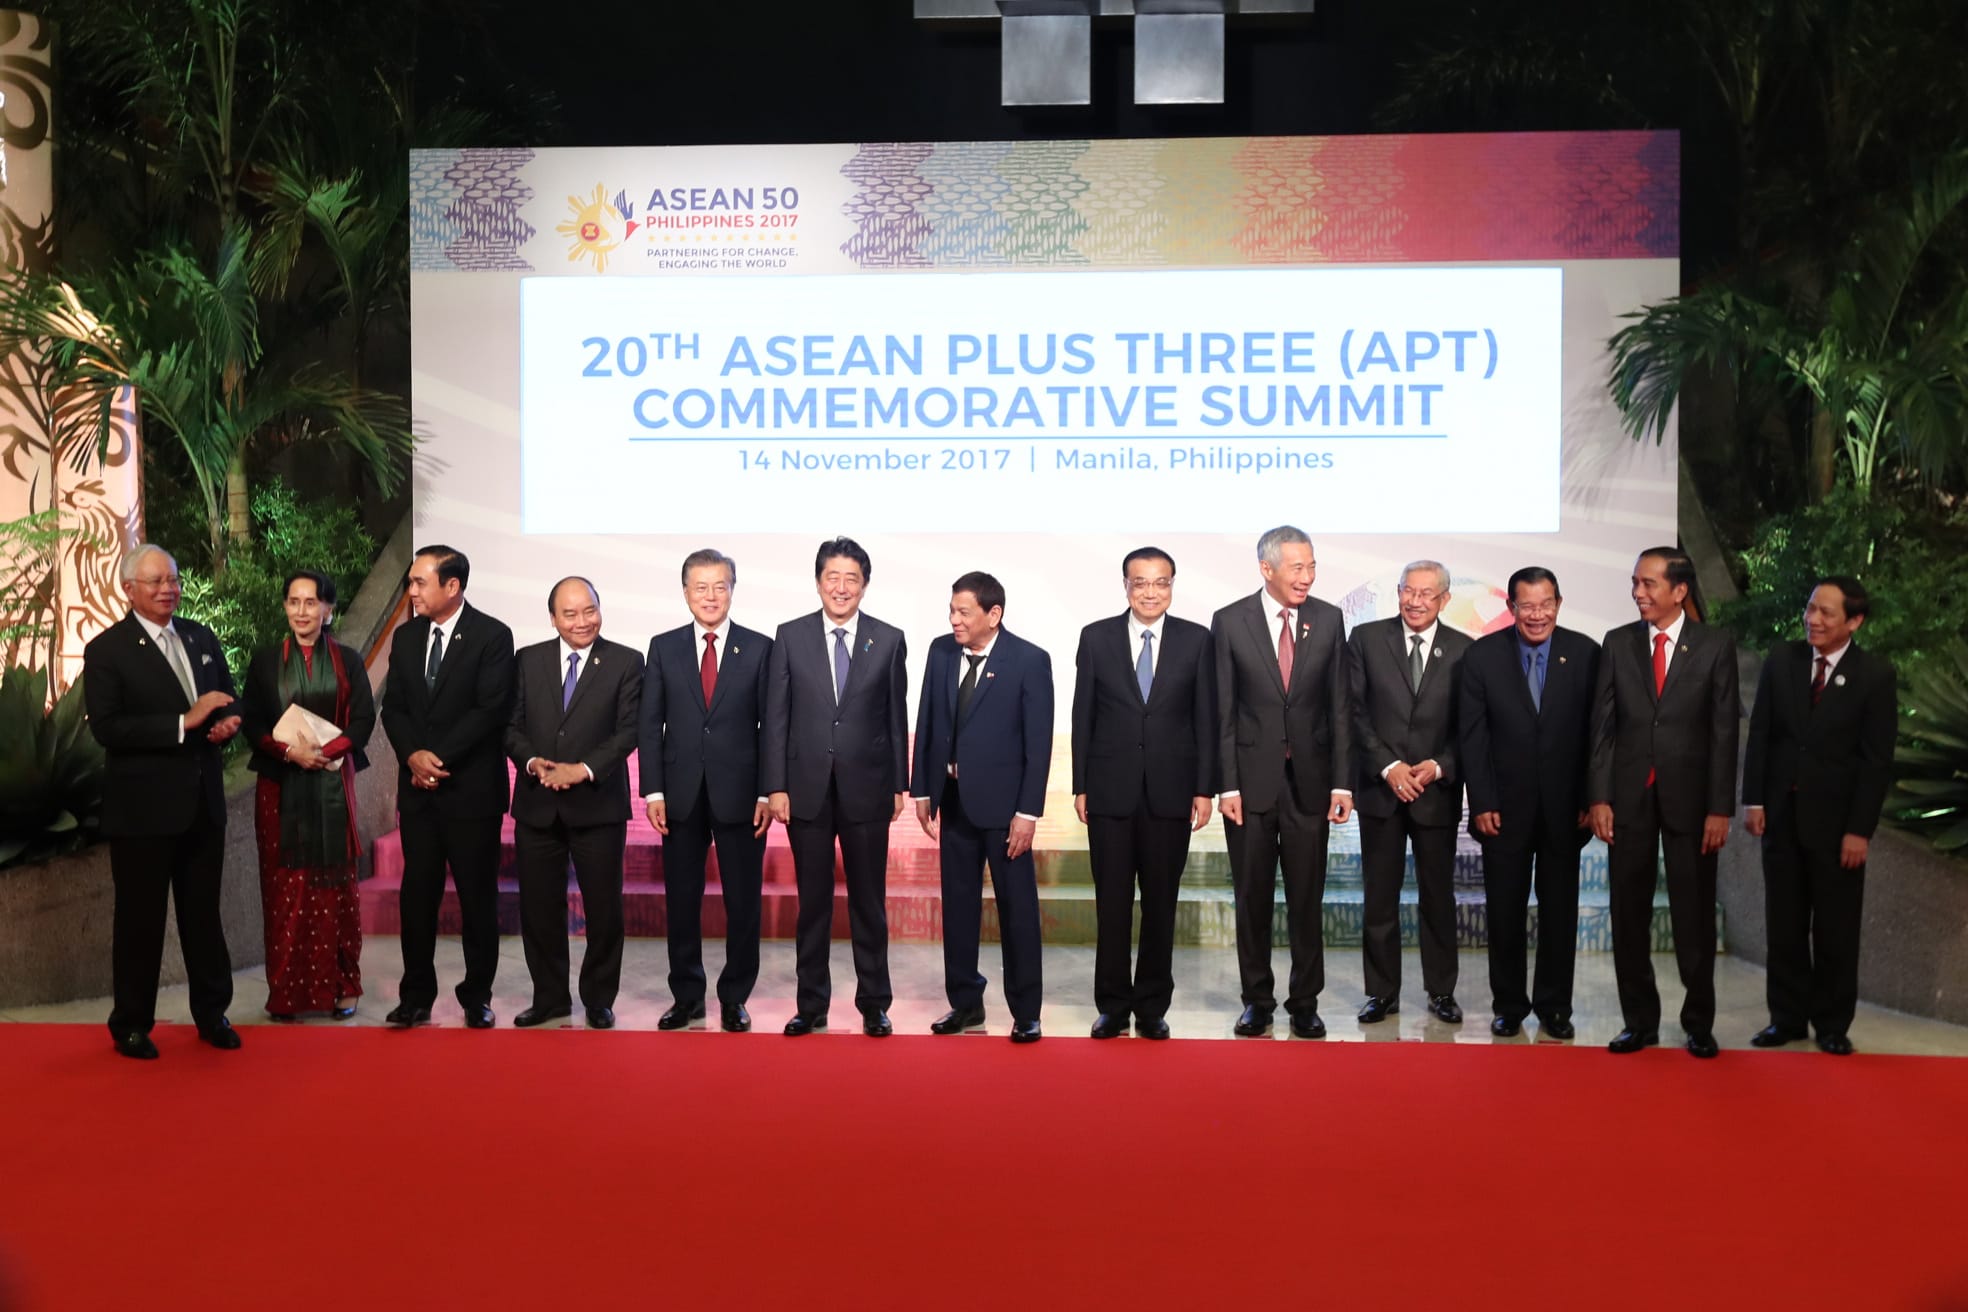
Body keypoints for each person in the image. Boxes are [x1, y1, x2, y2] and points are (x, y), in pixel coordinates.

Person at [83, 543, 244, 1059]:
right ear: (128, 589)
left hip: (202, 804)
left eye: (173, 580)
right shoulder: (108, 650)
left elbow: (227, 695)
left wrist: (227, 723)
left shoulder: (199, 636)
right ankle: (131, 1023)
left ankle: (212, 1013)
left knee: (203, 916)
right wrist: (185, 721)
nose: (168, 590)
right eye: (155, 582)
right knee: (139, 920)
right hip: (143, 812)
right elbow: (108, 728)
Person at [1588, 547, 1739, 1058]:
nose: (1638, 593)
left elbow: (1723, 733)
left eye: (1648, 584)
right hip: (1628, 800)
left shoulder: (1715, 646)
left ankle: (1698, 1022)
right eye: (1635, 583)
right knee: (1627, 913)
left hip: (1693, 804)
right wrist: (1600, 797)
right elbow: (1602, 730)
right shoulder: (1618, 643)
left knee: (1693, 915)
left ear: (1679, 591)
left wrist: (1720, 808)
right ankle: (1640, 1021)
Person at [1742, 576, 1895, 1056]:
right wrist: (1755, 801)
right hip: (1781, 819)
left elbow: (1876, 761)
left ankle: (1831, 1024)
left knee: (1835, 929)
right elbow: (1761, 734)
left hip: (1837, 829)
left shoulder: (1874, 675)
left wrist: (1859, 829)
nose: (1813, 619)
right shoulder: (1783, 660)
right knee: (1783, 926)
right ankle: (1785, 1019)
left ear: (1854, 621)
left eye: (1827, 613)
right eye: (1811, 609)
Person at [1212, 525, 1353, 1039]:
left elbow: (1340, 706)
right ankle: (1256, 999)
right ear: (1266, 568)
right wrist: (1226, 786)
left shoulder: (1329, 618)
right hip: (1249, 787)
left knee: (1305, 898)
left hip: (1311, 785)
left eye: (1312, 566)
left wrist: (1343, 784)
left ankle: (1304, 1001)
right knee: (1252, 897)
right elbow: (1222, 710)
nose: (1307, 576)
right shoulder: (1230, 622)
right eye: (1297, 567)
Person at [764, 537, 910, 1037]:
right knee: (814, 903)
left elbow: (895, 718)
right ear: (819, 581)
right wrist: (775, 786)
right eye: (833, 577)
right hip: (804, 788)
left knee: (870, 901)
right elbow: (776, 718)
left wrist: (899, 784)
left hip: (868, 789)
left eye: (852, 579)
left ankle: (875, 1003)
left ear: (864, 585)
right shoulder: (790, 635)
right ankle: (812, 1005)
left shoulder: (889, 639)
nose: (841, 587)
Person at [1071, 547, 1215, 1040]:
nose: (1150, 592)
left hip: (1171, 795)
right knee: (1111, 905)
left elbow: (1206, 720)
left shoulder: (1197, 640)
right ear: (1126, 586)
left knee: (1160, 904)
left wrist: (1204, 788)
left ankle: (1152, 1005)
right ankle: (1112, 1004)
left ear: (1172, 585)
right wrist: (1081, 785)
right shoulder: (1096, 638)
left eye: (1160, 582)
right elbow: (1082, 715)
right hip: (1109, 793)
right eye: (1141, 582)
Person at [1457, 566, 1600, 1039]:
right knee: (1504, 912)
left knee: (1560, 913)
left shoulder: (1586, 654)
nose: (1537, 615)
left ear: (1558, 603)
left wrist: (1590, 798)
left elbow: (1596, 738)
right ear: (1510, 608)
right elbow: (1472, 738)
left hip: (1566, 810)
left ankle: (1556, 1007)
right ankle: (1509, 1005)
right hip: (1502, 810)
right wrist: (1481, 801)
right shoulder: (1482, 656)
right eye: (1526, 606)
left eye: (1545, 604)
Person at [911, 572, 1054, 1044]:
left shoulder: (1029, 661)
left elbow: (1038, 745)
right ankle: (965, 1004)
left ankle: (1026, 1011)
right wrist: (922, 790)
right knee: (958, 908)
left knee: (1017, 911)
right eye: (951, 610)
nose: (954, 620)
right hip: (953, 805)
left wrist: (1028, 813)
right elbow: (928, 719)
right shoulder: (940, 651)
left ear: (993, 615)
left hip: (1006, 810)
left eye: (963, 612)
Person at [380, 545, 515, 1029]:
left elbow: (490, 710)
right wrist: (412, 755)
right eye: (411, 582)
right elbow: (392, 707)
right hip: (419, 792)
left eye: (419, 582)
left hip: (470, 792)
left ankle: (476, 995)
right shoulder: (406, 638)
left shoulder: (492, 636)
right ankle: (415, 995)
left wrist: (438, 758)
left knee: (478, 898)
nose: (411, 591)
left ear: (451, 586)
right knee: (417, 897)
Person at [640, 549, 774, 1034]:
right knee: (682, 900)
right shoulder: (663, 647)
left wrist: (766, 792)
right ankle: (687, 997)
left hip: (742, 795)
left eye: (720, 586)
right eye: (701, 586)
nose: (710, 596)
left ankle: (735, 997)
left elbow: (770, 728)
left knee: (743, 901)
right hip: (679, 795)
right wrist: (653, 792)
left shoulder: (759, 648)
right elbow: (649, 724)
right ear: (685, 592)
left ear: (732, 590)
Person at [239, 570, 377, 1022]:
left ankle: (343, 986)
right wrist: (289, 752)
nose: (302, 611)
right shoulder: (264, 662)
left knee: (336, 887)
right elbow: (253, 722)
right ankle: (285, 993)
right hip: (279, 789)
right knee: (285, 890)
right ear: (285, 607)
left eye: (311, 602)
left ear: (328, 609)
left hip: (334, 783)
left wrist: (323, 752)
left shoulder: (349, 660)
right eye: (294, 602)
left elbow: (362, 721)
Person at [505, 577, 642, 1030]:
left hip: (597, 804)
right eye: (571, 613)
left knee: (604, 908)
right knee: (539, 908)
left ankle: (599, 998)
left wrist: (580, 769)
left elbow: (628, 731)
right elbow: (509, 725)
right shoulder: (527, 660)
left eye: (590, 611)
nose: (583, 621)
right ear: (553, 618)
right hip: (537, 802)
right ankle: (549, 998)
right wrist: (531, 762)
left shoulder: (625, 661)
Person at [1348, 560, 1474, 1025]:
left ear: (1444, 599)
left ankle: (1441, 991)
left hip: (1435, 793)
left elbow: (1471, 726)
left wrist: (1441, 765)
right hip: (1381, 791)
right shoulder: (1365, 640)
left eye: (1426, 593)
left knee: (1437, 897)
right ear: (1398, 592)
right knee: (1379, 896)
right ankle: (1381, 992)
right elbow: (1353, 712)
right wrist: (1389, 765)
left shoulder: (1465, 650)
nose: (1415, 601)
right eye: (1408, 591)